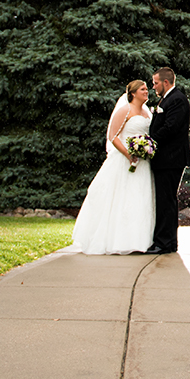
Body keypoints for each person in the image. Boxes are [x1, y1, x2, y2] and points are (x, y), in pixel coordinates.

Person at [68, 80, 156, 255]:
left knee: (140, 198)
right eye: (143, 89)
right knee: (122, 197)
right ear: (133, 93)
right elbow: (113, 135)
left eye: (147, 89)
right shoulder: (125, 110)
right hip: (124, 161)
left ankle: (141, 240)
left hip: (143, 163)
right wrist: (128, 154)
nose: (147, 91)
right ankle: (118, 240)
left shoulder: (147, 112)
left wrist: (146, 149)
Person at [146, 66, 190, 254]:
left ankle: (164, 243)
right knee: (167, 201)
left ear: (166, 82)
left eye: (155, 83)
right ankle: (168, 243)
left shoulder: (177, 99)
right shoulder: (167, 99)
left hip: (171, 158)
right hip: (166, 158)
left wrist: (149, 142)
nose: (153, 87)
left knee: (166, 201)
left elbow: (171, 127)